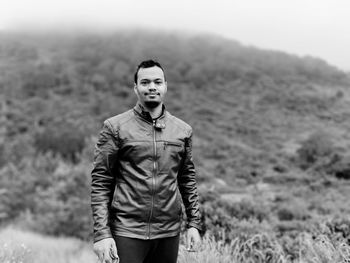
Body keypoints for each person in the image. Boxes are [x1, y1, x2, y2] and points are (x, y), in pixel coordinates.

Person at [91, 59, 202, 263]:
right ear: (136, 88)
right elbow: (101, 182)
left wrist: (194, 224)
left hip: (168, 233)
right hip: (127, 231)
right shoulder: (115, 127)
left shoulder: (182, 131)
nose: (152, 87)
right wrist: (102, 234)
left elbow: (187, 180)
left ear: (165, 86)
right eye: (145, 82)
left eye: (157, 82)